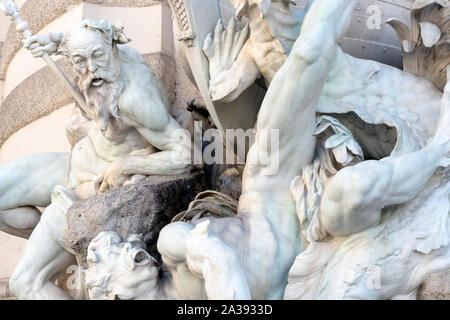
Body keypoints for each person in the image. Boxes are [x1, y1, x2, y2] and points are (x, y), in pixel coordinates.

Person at [6, 19, 197, 299]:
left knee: (24, 282)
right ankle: (64, 246)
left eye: (97, 57)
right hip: (79, 159)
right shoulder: (114, 51)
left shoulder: (133, 99)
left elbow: (188, 154)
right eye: (80, 62)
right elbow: (88, 40)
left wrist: (129, 165)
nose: (92, 70)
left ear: (112, 49)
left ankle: (58, 245)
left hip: (91, 184)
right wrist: (57, 42)